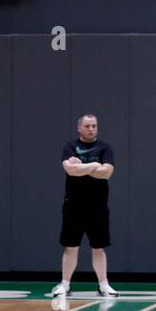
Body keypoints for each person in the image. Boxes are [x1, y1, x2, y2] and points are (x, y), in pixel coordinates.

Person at [50, 114, 118, 299]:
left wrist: (85, 167)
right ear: (79, 127)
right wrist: (94, 166)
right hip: (73, 205)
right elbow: (70, 170)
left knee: (98, 247)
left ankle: (103, 285)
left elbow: (106, 173)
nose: (91, 129)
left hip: (98, 206)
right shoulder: (70, 147)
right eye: (87, 126)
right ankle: (65, 284)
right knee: (71, 246)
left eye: (94, 126)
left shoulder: (105, 148)